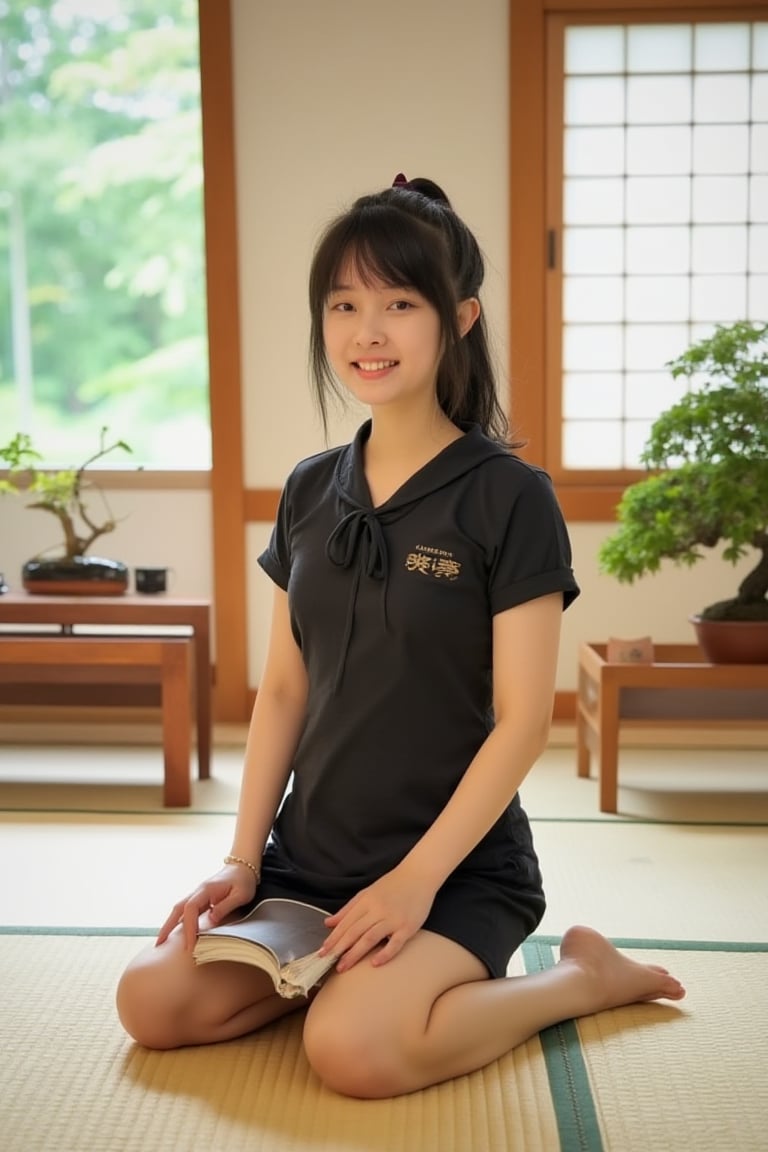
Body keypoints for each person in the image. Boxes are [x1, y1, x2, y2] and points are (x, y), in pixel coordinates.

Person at [116, 174, 685, 1098]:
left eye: (398, 303)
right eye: (343, 304)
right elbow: (286, 694)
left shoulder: (509, 497)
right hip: (309, 865)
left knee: (354, 1055)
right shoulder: (308, 489)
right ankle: (333, 971)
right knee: (151, 1002)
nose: (365, 331)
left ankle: (582, 978)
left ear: (459, 318)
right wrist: (242, 860)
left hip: (452, 871)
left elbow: (520, 723)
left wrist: (415, 883)